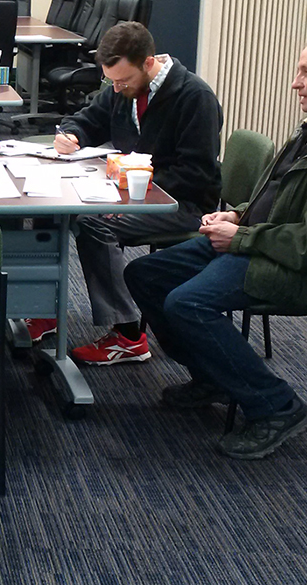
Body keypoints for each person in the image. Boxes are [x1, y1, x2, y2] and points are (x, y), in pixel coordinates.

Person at [124, 34, 307, 460]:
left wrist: (243, 236)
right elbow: (278, 196)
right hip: (259, 241)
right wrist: (238, 215)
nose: (295, 83)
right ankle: (213, 374)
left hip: (296, 265)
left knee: (188, 303)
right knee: (144, 273)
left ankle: (276, 404)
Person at [26, 21, 223, 365]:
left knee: (95, 224)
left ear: (148, 63)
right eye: (111, 81)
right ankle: (44, 309)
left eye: (123, 80)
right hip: (132, 191)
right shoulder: (124, 88)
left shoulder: (195, 97)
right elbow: (88, 119)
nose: (116, 88)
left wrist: (132, 186)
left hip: (182, 202)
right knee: (48, 209)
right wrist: (71, 134)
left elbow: (196, 173)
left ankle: (129, 335)